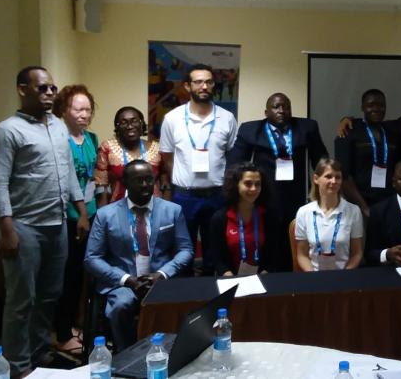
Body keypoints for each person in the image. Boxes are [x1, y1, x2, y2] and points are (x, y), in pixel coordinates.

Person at [0, 66, 89, 377]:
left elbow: (69, 172)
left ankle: (40, 352)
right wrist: (6, 229)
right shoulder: (7, 131)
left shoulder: (58, 126)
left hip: (57, 225)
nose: (48, 94)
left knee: (49, 295)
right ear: (22, 90)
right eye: (41, 88)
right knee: (21, 300)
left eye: (52, 88)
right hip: (23, 227)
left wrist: (81, 210)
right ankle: (17, 366)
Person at [84, 160, 193, 350]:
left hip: (161, 279)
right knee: (121, 305)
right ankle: (126, 353)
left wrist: (162, 274)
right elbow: (92, 258)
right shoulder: (106, 215)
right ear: (125, 183)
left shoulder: (172, 210)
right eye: (138, 180)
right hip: (123, 281)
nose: (145, 185)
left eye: (149, 180)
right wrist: (127, 280)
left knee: (174, 302)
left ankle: (171, 352)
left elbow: (186, 250)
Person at [159, 64, 238, 275]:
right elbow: (167, 156)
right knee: (183, 253)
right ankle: (186, 298)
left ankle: (213, 297)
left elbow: (232, 156)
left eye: (209, 82)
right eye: (198, 82)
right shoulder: (172, 118)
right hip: (185, 197)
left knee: (215, 253)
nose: (204, 86)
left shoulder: (227, 118)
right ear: (187, 86)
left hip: (217, 195)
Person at [226, 93, 328, 242]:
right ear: (266, 113)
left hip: (298, 195)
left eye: (286, 107)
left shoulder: (307, 128)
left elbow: (321, 163)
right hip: (264, 195)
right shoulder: (250, 130)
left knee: (295, 240)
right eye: (276, 107)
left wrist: (323, 195)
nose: (282, 110)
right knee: (269, 241)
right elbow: (234, 165)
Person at [52, 84, 101, 355]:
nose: (84, 114)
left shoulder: (91, 138)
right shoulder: (59, 138)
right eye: (77, 109)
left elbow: (93, 177)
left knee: (84, 275)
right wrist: (81, 214)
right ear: (64, 110)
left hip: (90, 214)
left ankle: (75, 324)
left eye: (88, 109)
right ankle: (61, 333)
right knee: (67, 277)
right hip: (68, 217)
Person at [210, 162, 287, 275]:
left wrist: (265, 273)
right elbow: (218, 259)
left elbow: (274, 253)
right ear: (236, 185)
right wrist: (228, 274)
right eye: (248, 184)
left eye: (257, 184)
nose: (253, 189)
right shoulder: (220, 219)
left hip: (263, 278)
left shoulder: (269, 216)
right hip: (230, 278)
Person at [334, 89, 398, 217]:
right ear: (362, 107)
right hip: (357, 206)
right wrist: (364, 208)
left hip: (388, 205)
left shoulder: (392, 133)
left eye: (381, 105)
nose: (376, 109)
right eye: (371, 105)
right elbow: (344, 176)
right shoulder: (349, 131)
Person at [294, 158, 364, 271]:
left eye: (338, 177)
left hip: (344, 277)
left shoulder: (353, 211)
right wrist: (313, 277)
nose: (334, 181)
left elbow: (356, 254)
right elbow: (302, 255)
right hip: (314, 277)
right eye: (328, 176)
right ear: (316, 179)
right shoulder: (303, 212)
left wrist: (345, 275)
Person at [94, 106, 164, 207]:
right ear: (117, 127)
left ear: (141, 124)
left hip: (153, 207)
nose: (130, 126)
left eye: (134, 121)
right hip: (118, 207)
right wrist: (103, 215)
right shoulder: (107, 148)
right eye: (123, 122)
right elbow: (101, 185)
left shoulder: (157, 149)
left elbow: (165, 181)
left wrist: (166, 210)